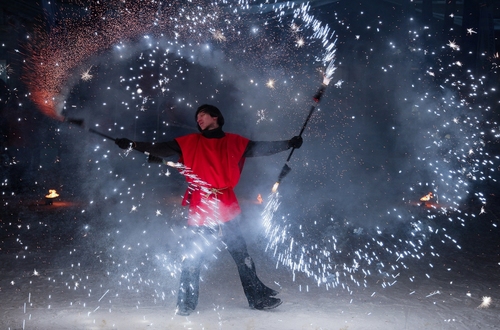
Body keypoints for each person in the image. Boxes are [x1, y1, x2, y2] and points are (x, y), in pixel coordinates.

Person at [115, 104, 303, 316]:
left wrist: (288, 143)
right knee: (193, 257)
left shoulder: (234, 141)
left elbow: (260, 147)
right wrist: (132, 144)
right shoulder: (190, 142)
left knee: (242, 255)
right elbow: (159, 148)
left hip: (226, 203)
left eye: (202, 115)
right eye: (197, 117)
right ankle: (185, 302)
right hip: (202, 205)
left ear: (216, 117)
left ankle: (257, 298)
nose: (198, 119)